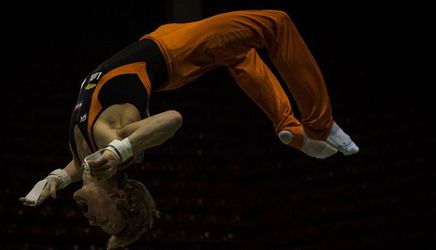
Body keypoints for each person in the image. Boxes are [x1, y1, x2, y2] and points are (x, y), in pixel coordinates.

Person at [20, 9, 359, 249]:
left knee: (238, 53)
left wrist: (53, 180)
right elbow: (172, 120)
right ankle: (318, 126)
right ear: (118, 197)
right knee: (276, 24)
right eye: (106, 222)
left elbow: (79, 167)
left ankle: (290, 129)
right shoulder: (114, 144)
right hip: (173, 52)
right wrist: (119, 150)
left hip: (160, 42)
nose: (92, 223)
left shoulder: (86, 159)